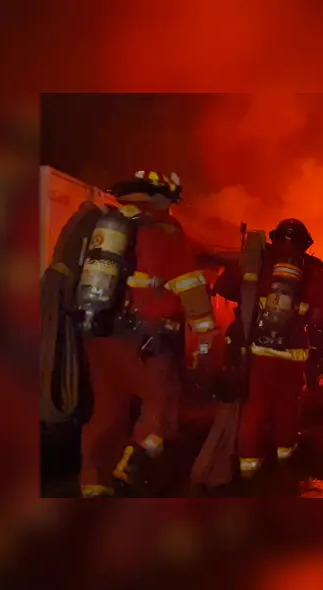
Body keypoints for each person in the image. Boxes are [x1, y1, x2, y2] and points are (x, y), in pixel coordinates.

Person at [79, 170, 218, 498]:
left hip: (100, 336)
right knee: (162, 410)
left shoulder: (105, 227)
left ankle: (92, 484)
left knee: (106, 415)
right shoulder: (166, 231)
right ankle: (132, 467)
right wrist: (207, 333)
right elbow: (190, 286)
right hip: (146, 343)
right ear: (164, 199)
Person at [213, 219, 323, 480]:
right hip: (293, 351)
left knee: (255, 407)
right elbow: (317, 314)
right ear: (305, 244)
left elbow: (222, 287)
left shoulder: (256, 260)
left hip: (257, 349)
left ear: (274, 239)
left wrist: (249, 288)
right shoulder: (310, 267)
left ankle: (248, 468)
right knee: (287, 406)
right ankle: (285, 461)